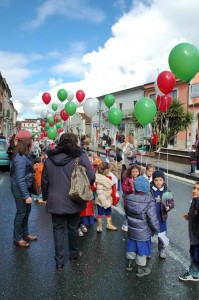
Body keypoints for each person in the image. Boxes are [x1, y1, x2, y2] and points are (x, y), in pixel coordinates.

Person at [41, 133, 95, 271]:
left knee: (58, 229)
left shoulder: (49, 159)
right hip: (74, 198)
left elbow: (45, 180)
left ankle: (59, 262)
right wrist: (83, 187)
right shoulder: (79, 156)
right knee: (73, 227)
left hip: (55, 200)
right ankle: (73, 253)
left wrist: (46, 197)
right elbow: (91, 176)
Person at [126, 176, 159, 277]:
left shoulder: (129, 198)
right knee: (142, 249)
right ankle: (140, 269)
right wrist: (156, 229)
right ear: (147, 188)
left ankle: (129, 264)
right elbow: (152, 218)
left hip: (132, 229)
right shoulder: (149, 201)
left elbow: (127, 213)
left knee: (131, 246)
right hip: (143, 231)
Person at [10, 130, 37, 247]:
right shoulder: (20, 157)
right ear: (26, 142)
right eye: (31, 139)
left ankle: (25, 234)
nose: (33, 142)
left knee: (26, 212)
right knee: (21, 213)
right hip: (20, 188)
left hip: (24, 187)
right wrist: (26, 196)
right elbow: (20, 179)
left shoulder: (24, 155)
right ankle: (18, 238)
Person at [150, 170, 174, 259]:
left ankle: (161, 249)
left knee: (161, 234)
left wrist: (169, 207)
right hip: (151, 217)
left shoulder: (166, 191)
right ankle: (147, 250)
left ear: (163, 180)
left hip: (161, 217)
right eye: (156, 180)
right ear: (153, 181)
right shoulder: (150, 190)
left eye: (160, 180)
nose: (158, 182)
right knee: (149, 234)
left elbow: (171, 202)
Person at [179, 181, 199, 282]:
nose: (195, 191)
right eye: (194, 188)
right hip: (194, 234)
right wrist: (189, 216)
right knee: (194, 254)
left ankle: (194, 274)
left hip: (197, 237)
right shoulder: (195, 200)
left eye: (198, 189)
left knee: (195, 255)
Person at [95, 162, 117, 232]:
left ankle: (108, 224)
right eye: (109, 170)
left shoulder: (104, 177)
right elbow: (100, 193)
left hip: (107, 199)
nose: (110, 172)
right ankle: (99, 226)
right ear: (105, 170)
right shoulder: (101, 180)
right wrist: (105, 202)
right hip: (102, 200)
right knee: (100, 213)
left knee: (108, 212)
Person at [121, 164, 140, 232]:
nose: (135, 173)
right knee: (128, 213)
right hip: (128, 199)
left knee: (134, 213)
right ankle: (125, 224)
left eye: (136, 172)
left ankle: (132, 224)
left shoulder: (140, 179)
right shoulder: (127, 179)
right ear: (130, 172)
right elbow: (123, 187)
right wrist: (130, 189)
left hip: (136, 199)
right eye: (133, 172)